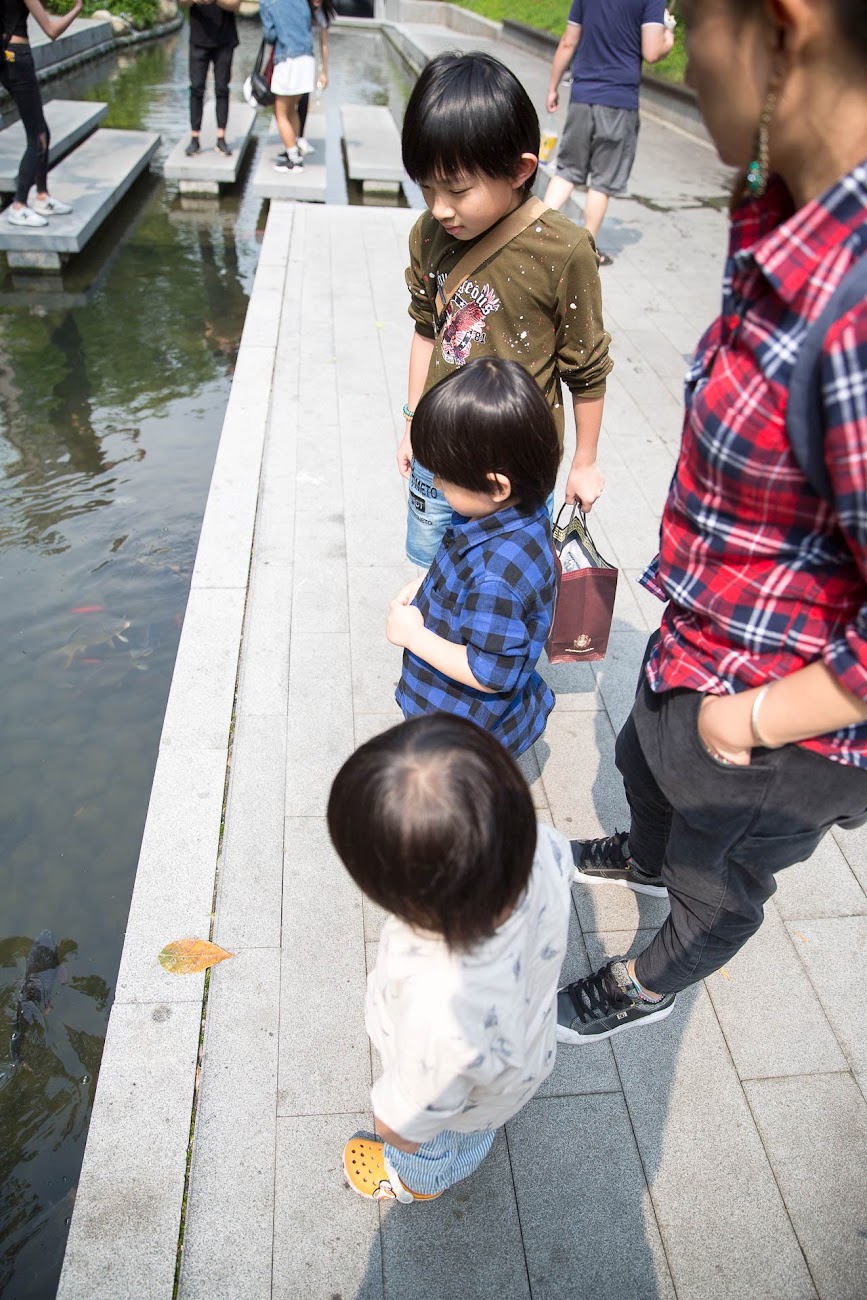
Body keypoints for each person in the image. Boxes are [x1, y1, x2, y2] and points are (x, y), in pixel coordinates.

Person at [557, 0, 867, 1044]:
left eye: (697, 29)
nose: (683, 60)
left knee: (716, 877)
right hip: (703, 636)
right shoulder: (787, 212)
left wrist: (748, 723)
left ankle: (653, 974)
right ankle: (645, 856)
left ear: (782, 31)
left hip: (777, 718)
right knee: (645, 768)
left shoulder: (858, 310)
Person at [327, 713, 573, 1202]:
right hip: (521, 1049)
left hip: (452, 1087)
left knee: (434, 1141)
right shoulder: (542, 849)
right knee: (476, 1123)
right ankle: (474, 1140)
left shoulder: (441, 1002)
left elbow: (412, 1113)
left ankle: (416, 1182)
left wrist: (395, 1129)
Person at [399, 50, 612, 569]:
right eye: (426, 186)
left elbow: (585, 368)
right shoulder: (430, 235)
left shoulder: (564, 251)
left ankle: (488, 652)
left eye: (457, 189)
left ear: (520, 170)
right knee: (435, 569)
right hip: (439, 452)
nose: (439, 207)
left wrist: (584, 463)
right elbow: (427, 331)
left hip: (513, 473)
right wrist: (410, 421)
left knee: (505, 583)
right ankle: (436, 643)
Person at [387, 358, 559, 757]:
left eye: (445, 476)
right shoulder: (515, 517)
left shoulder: (496, 577)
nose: (439, 484)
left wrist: (413, 636)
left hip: (460, 728)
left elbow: (490, 673)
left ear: (496, 485)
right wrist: (427, 587)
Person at [544, 0, 675, 264]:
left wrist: (552, 87)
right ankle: (586, 251)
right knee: (602, 182)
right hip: (618, 101)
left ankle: (533, 232)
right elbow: (651, 52)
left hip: (582, 96)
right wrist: (668, 35)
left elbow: (568, 42)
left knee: (567, 171)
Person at [0, 0, 83, 228]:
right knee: (38, 138)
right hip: (18, 59)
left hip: (7, 57)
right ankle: (18, 206)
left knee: (42, 130)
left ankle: (42, 196)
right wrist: (77, 8)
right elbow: (52, 30)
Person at [179, 0, 241, 159]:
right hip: (199, 39)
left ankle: (221, 138)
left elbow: (235, 4)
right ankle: (195, 138)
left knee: (222, 88)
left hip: (225, 38)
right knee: (196, 88)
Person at [259, 0, 315, 172]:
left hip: (288, 59)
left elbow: (270, 35)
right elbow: (307, 22)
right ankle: (293, 148)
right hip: (307, 58)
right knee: (292, 109)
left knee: (280, 112)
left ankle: (294, 160)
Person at [295, 0, 333, 157]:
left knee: (304, 99)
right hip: (289, 57)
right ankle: (291, 139)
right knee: (287, 102)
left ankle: (300, 136)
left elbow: (324, 44)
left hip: (306, 60)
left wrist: (324, 71)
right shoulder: (298, 7)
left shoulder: (321, 13)